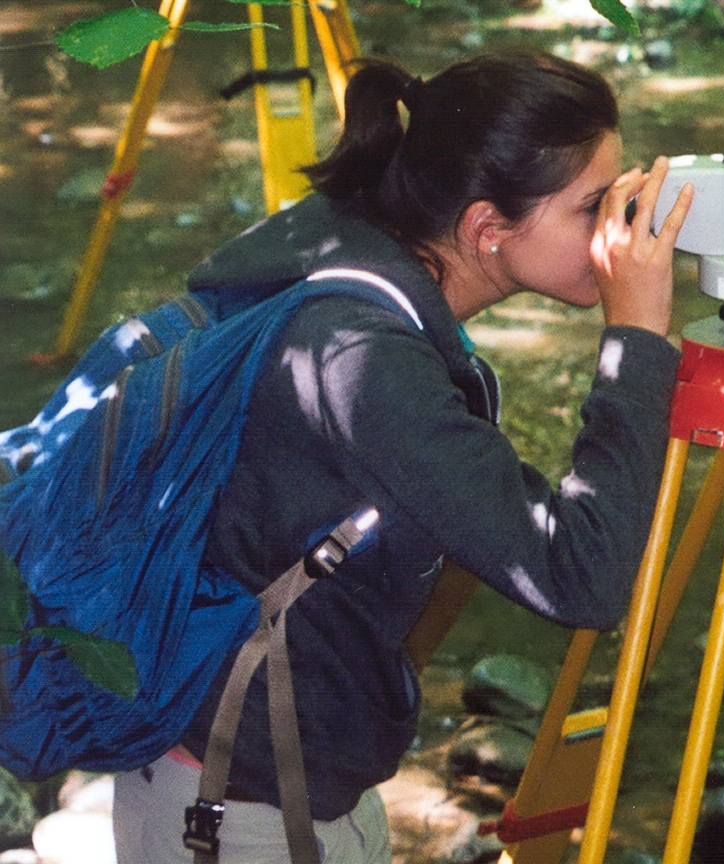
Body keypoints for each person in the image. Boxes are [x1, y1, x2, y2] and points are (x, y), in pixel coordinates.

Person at [112, 50, 693, 863]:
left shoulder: (349, 254)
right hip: (231, 810)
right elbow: (581, 577)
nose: (616, 230)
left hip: (294, 785)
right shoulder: (362, 358)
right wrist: (635, 342)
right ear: (487, 229)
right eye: (592, 206)